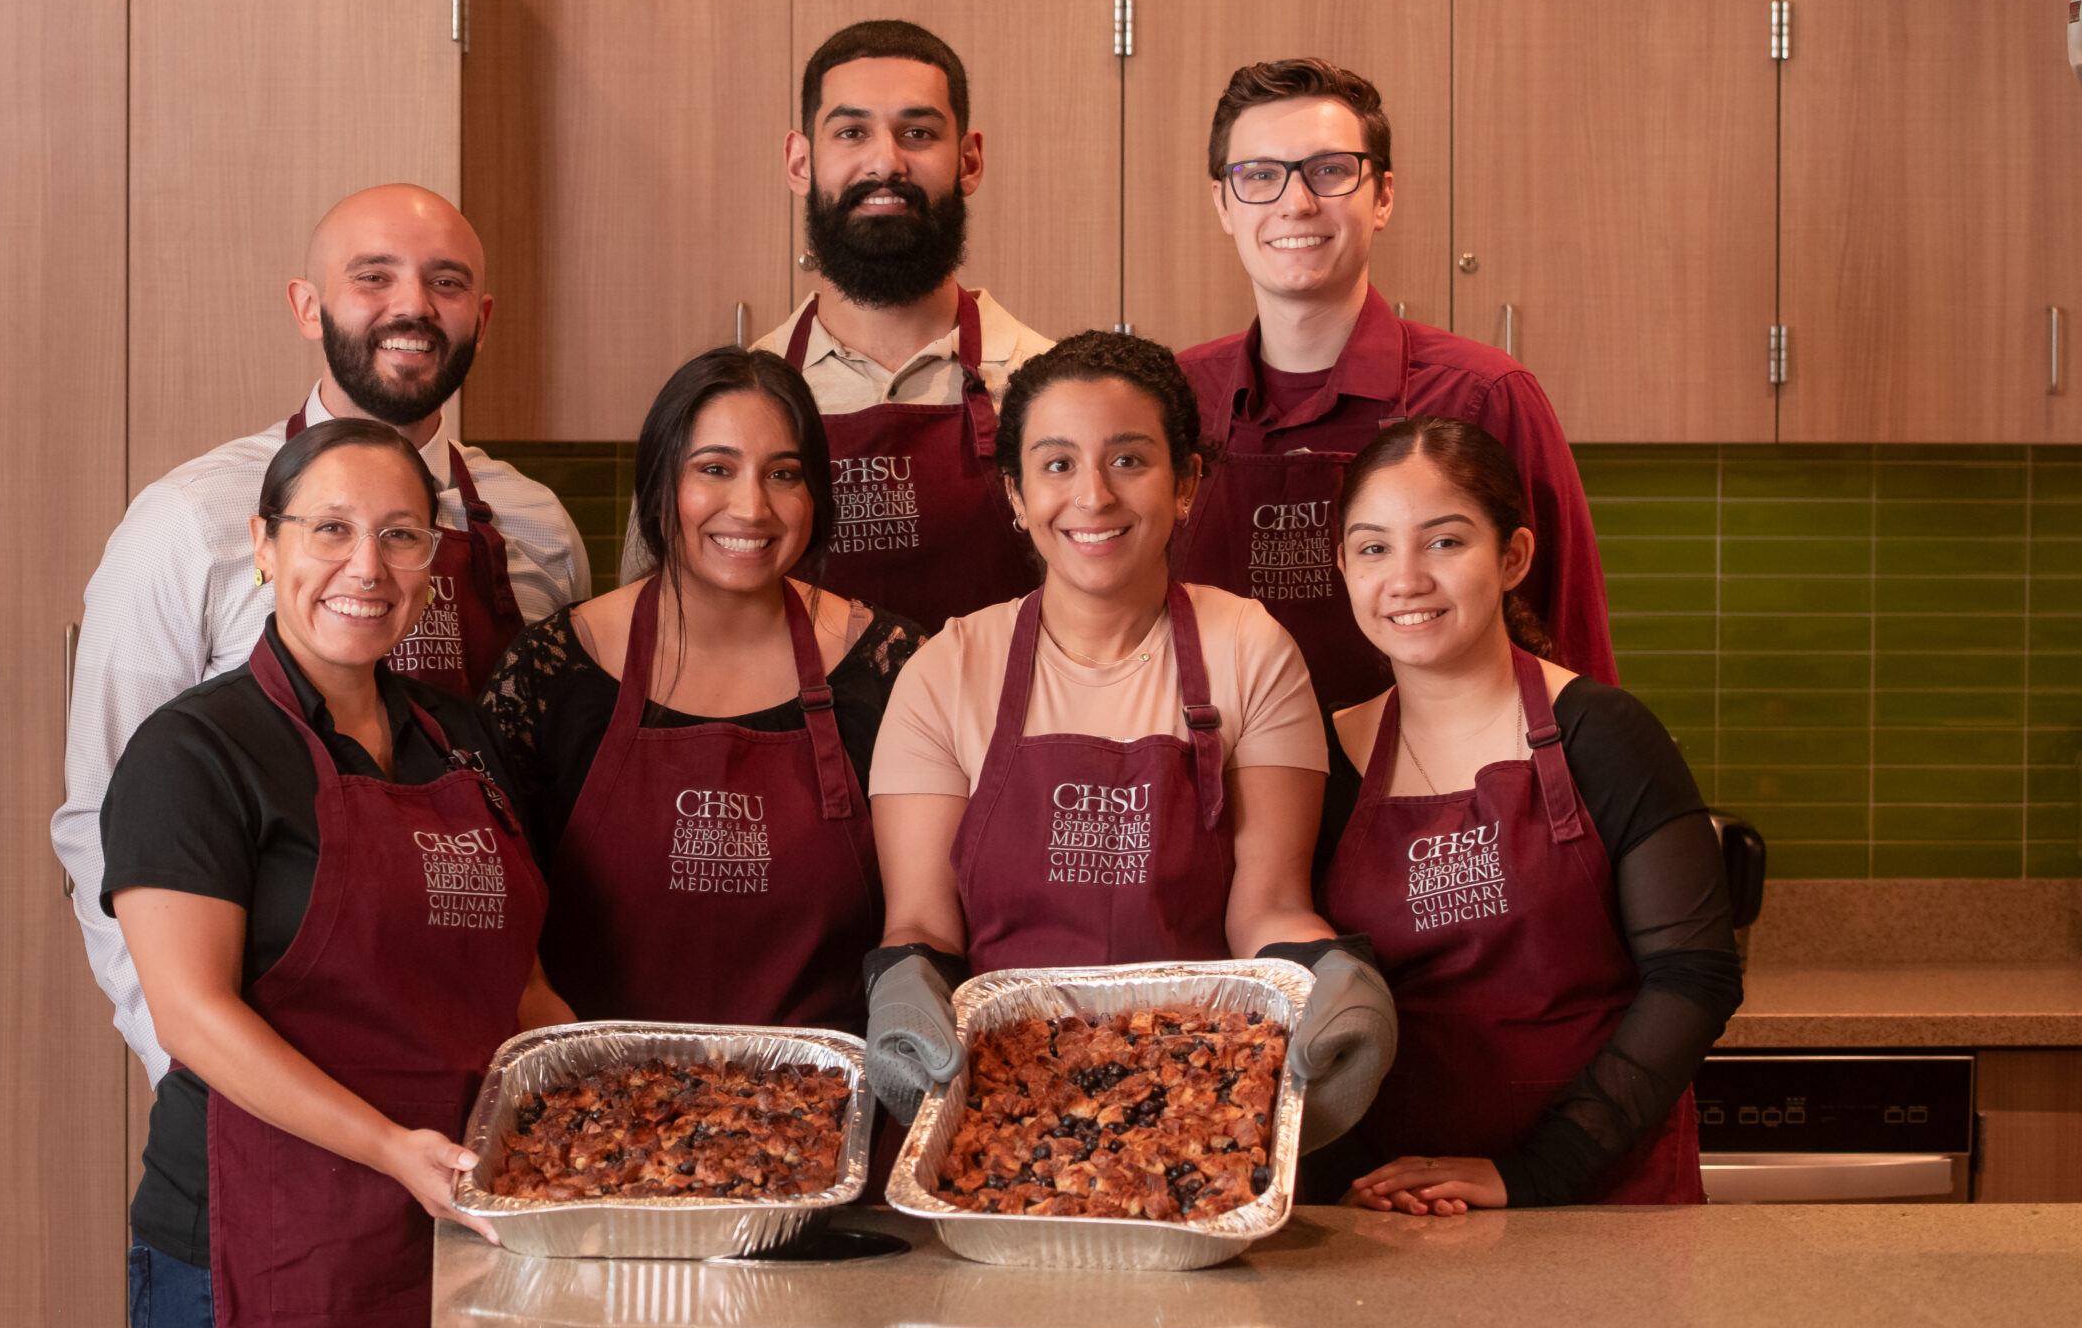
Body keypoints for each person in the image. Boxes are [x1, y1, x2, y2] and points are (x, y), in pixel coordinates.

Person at [55, 183, 588, 1085]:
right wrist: (182, 1049)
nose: (413, 306)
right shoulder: (189, 520)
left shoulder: (536, 527)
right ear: (308, 305)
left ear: (481, 317)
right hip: (271, 1063)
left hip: (478, 1049)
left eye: (446, 282)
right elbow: (99, 817)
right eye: (373, 276)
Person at [105, 418, 568, 1328]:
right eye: (329, 530)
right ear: (265, 547)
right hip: (261, 1242)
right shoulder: (195, 754)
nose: (367, 566)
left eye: (401, 536)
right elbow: (192, 1014)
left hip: (451, 1225)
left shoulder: (461, 739)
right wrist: (390, 1150)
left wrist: (617, 1097)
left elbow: (516, 987)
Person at [858, 332, 1395, 1146]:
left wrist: (1335, 979)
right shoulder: (946, 670)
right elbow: (926, 925)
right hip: (994, 1110)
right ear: (1015, 493)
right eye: (1058, 463)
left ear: (1186, 483)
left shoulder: (1250, 648)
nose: (1094, 497)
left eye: (1130, 460)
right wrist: (902, 990)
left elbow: (1270, 907)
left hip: (1204, 1108)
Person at [1313, 416, 1741, 1212]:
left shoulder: (1605, 735)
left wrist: (1538, 1172)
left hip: (1602, 1200)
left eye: (1444, 542)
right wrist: (1360, 1179)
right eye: (1373, 548)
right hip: (1397, 1209)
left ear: (1512, 557)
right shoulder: (1325, 759)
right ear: (1343, 566)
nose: (1404, 579)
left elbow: (1694, 978)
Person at [484, 348, 924, 1030]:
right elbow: (496, 910)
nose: (751, 507)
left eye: (783, 474)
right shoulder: (551, 672)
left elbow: (927, 908)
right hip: (602, 1108)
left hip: (831, 1109)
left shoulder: (892, 670)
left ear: (815, 497)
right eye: (715, 469)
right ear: (661, 484)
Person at [1173, 58, 1614, 712]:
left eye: (1329, 171)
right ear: (1223, 204)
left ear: (1381, 197)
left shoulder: (1486, 397)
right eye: (1260, 175)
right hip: (1220, 802)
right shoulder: (1173, 402)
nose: (1297, 203)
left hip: (1434, 804)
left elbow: (1567, 649)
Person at [619, 20, 1057, 630]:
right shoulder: (715, 409)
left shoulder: (1052, 393)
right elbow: (652, 628)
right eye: (852, 132)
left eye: (918, 132)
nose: (886, 161)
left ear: (969, 160)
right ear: (800, 162)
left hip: (995, 726)